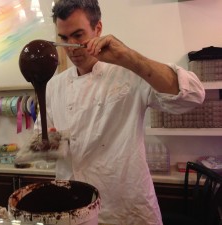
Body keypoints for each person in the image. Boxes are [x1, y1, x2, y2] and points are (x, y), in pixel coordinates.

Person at [37, 0, 205, 224]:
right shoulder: (54, 86)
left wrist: (128, 57)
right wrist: (47, 142)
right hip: (73, 207)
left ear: (98, 29)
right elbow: (43, 135)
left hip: (125, 208)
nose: (70, 47)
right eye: (64, 38)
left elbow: (192, 96)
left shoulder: (128, 73)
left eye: (78, 35)